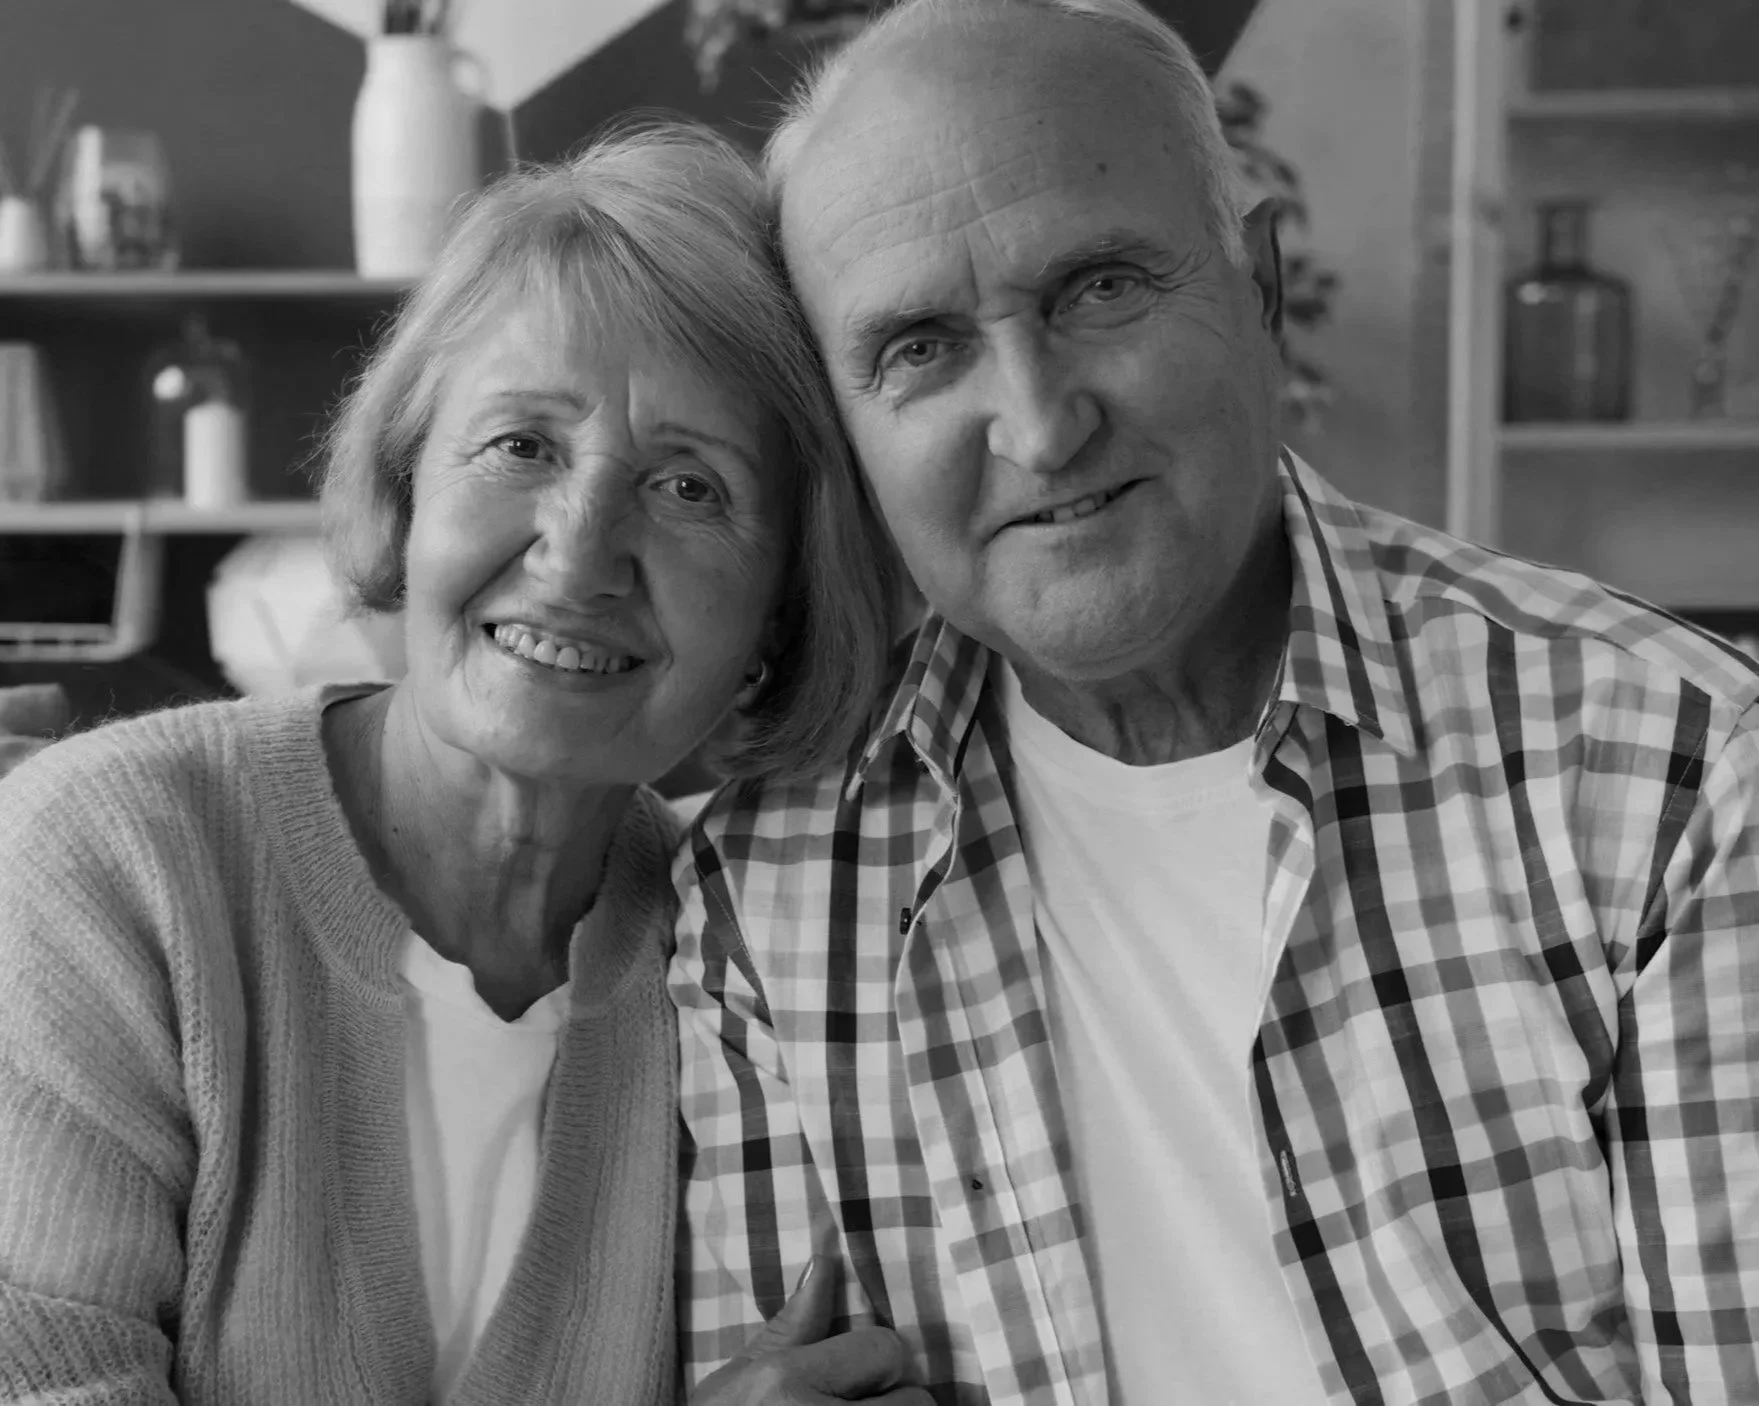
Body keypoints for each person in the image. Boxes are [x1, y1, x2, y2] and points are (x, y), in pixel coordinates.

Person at [670, 1, 1759, 1402]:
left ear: (1255, 283)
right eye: (919, 348)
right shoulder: (759, 896)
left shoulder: (1670, 777)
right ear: (845, 430)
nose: (1040, 422)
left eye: (1098, 289)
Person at [0, 122, 910, 1404]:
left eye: (690, 486)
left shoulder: (747, 960)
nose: (580, 550)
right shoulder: (99, 862)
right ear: (405, 483)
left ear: (780, 615)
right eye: (521, 445)